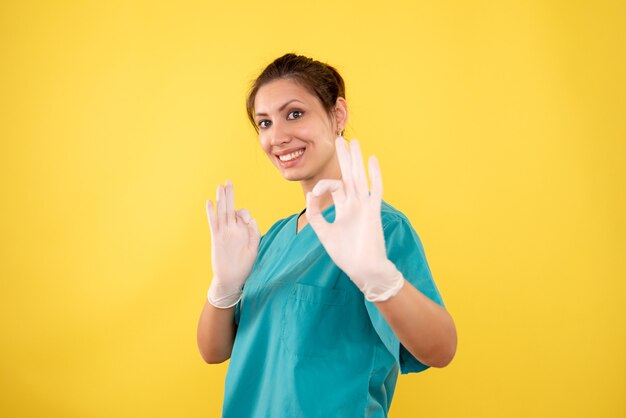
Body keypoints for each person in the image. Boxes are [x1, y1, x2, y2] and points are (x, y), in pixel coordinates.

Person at [197, 53, 457, 417]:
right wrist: (224, 288)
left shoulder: (382, 229)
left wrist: (377, 277)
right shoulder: (272, 239)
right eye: (265, 122)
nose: (278, 136)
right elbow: (215, 352)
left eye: (294, 113)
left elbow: (441, 349)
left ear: (338, 115)